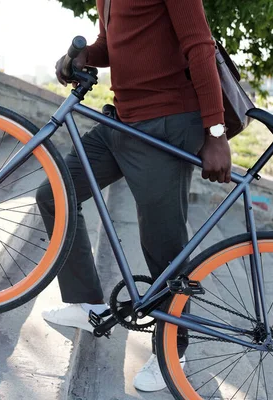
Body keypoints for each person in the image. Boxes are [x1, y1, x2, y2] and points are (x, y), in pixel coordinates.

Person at [36, 0, 231, 392]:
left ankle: (172, 349)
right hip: (121, 122)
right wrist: (76, 57)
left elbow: (199, 46)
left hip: (166, 124)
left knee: (163, 243)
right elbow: (111, 45)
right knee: (54, 194)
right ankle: (88, 303)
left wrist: (215, 132)